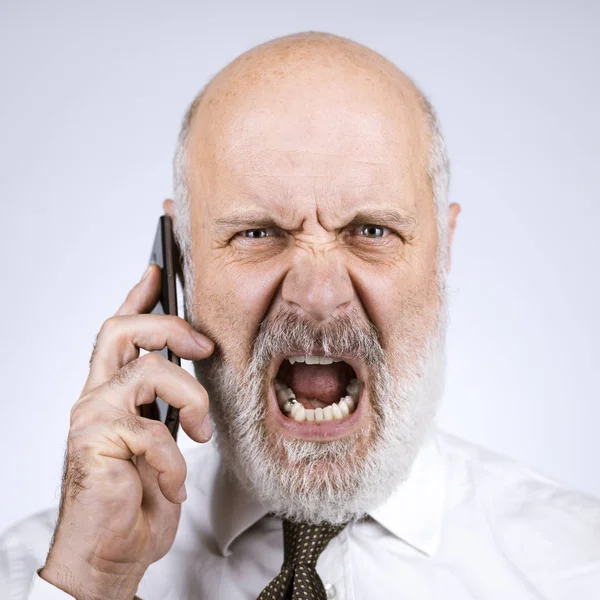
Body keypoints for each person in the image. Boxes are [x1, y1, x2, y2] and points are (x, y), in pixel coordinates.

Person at [1, 31, 598, 600]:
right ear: (180, 256)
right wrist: (94, 580)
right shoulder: (47, 573)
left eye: (372, 230)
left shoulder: (577, 566)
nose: (317, 295)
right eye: (257, 232)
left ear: (443, 249)